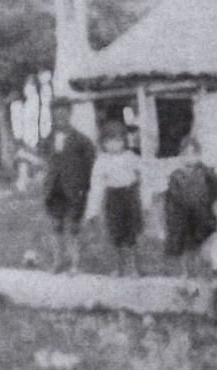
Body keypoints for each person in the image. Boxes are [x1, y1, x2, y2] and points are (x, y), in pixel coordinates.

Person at [39, 97, 97, 274]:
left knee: (73, 227)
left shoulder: (82, 140)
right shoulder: (48, 140)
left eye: (64, 115)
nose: (60, 119)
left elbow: (90, 165)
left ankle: (75, 264)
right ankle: (57, 262)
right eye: (56, 116)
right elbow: (44, 161)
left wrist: (84, 187)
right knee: (55, 226)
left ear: (70, 114)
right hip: (54, 190)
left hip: (74, 190)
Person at [85, 121, 144, 277]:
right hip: (113, 198)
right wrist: (92, 210)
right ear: (103, 143)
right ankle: (118, 268)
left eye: (117, 141)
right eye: (109, 142)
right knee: (115, 233)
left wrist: (145, 196)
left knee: (131, 233)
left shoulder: (130, 157)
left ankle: (133, 268)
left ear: (124, 141)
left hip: (129, 196)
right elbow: (96, 185)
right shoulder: (102, 161)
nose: (113, 145)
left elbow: (145, 173)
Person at [164, 136, 217, 281]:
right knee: (187, 248)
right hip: (184, 218)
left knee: (202, 246)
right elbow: (173, 199)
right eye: (186, 154)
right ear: (180, 156)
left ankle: (202, 274)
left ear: (199, 155)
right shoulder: (176, 176)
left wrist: (206, 203)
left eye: (194, 154)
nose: (190, 158)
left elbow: (214, 188)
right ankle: (188, 275)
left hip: (201, 216)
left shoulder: (205, 173)